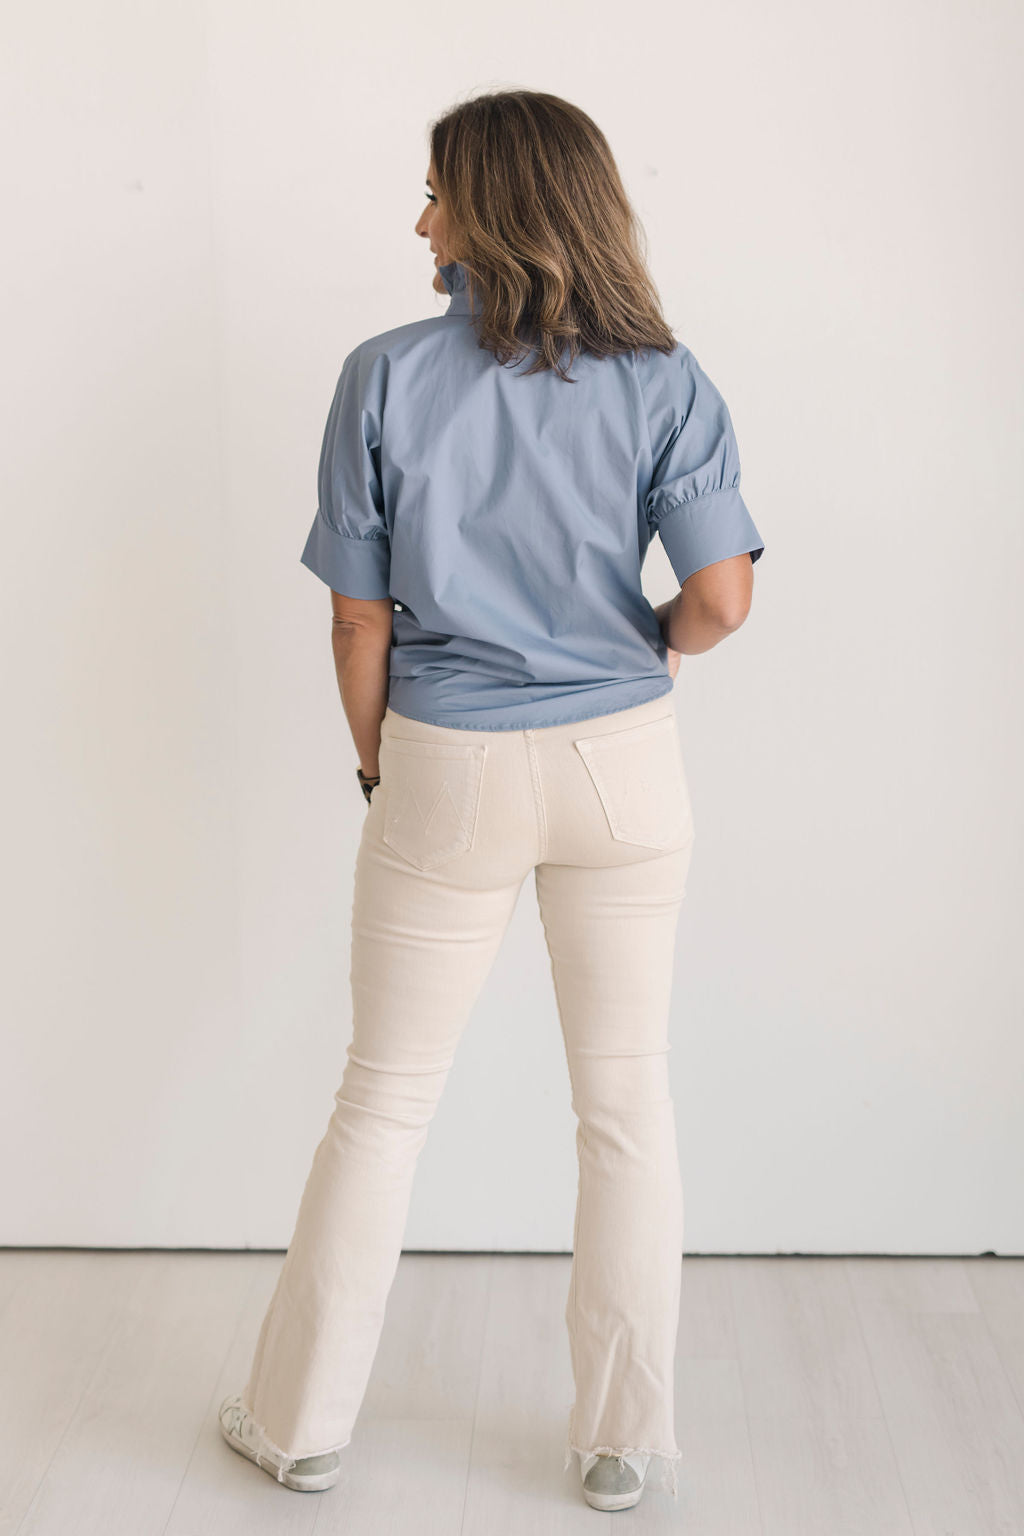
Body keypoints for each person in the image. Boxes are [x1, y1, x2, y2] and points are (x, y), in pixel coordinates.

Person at [218, 88, 764, 1513]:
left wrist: (377, 764)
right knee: (627, 1105)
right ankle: (622, 1443)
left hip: (445, 762)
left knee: (382, 1104)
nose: (421, 223)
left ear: (493, 207)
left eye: (437, 193)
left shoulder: (382, 375)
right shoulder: (666, 378)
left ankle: (297, 1428)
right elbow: (721, 598)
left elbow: (357, 621)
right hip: (623, 763)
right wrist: (650, 646)